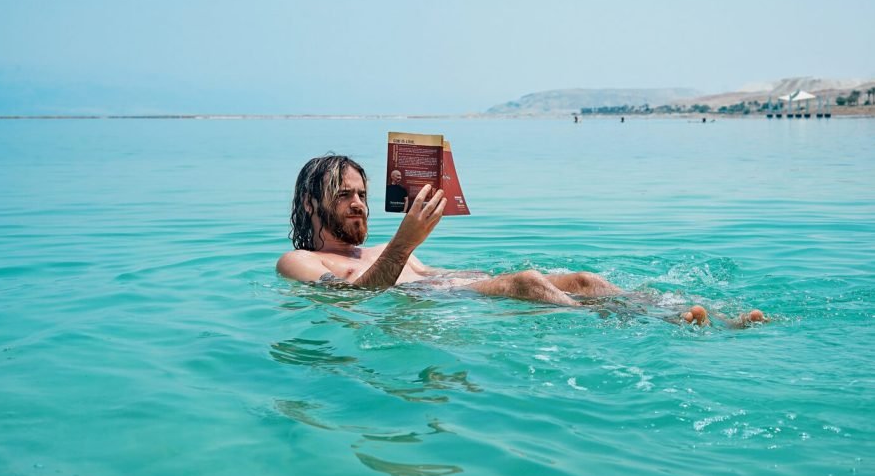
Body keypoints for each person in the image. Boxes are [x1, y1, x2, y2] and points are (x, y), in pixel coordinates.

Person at [276, 155, 766, 327]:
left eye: (363, 193)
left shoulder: (383, 250)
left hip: (458, 288)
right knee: (529, 282)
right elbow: (348, 299)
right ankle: (664, 328)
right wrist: (404, 244)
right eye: (345, 195)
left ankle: (716, 319)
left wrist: (412, 247)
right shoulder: (296, 260)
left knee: (583, 278)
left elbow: (433, 277)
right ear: (310, 205)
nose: (360, 203)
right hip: (438, 305)